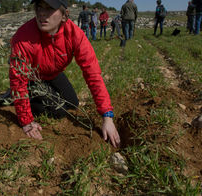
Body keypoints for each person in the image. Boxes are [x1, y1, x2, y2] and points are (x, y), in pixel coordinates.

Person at [9, 0, 121, 148]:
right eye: (40, 6)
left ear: (64, 15)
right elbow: (18, 79)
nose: (42, 12)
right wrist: (26, 120)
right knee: (60, 112)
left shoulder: (75, 34)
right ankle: (17, 97)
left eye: (50, 8)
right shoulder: (23, 37)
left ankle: (29, 95)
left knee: (73, 103)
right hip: (33, 77)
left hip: (54, 73)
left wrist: (107, 117)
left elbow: (93, 74)